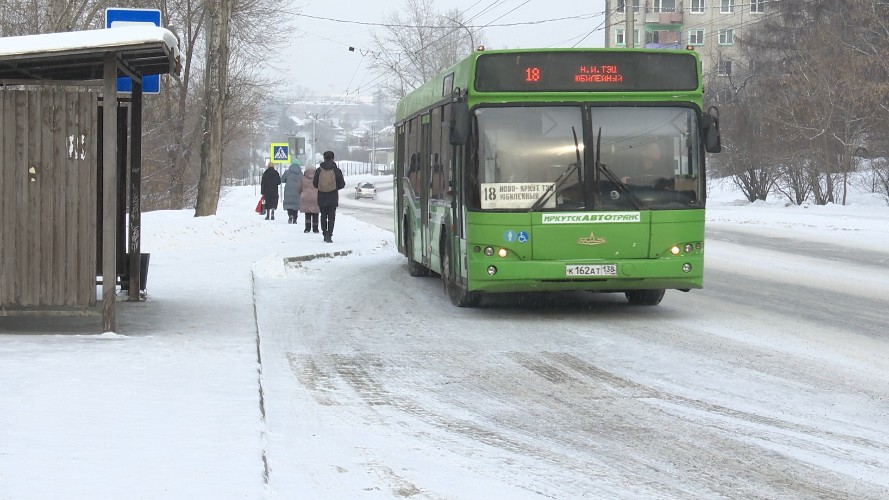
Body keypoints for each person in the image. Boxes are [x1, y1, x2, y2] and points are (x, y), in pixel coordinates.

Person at [312, 150, 345, 243]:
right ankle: (329, 235)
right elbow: (342, 184)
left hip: (322, 197)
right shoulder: (336, 170)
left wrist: (322, 187)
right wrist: (334, 187)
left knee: (323, 216)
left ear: (324, 158)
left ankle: (324, 233)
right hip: (332, 197)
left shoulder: (319, 170)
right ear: (333, 158)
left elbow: (315, 184)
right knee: (331, 217)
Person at [297, 163, 320, 234]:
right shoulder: (318, 177)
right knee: (316, 213)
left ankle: (307, 228)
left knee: (307, 213)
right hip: (316, 197)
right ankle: (315, 228)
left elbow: (298, 187)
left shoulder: (303, 178)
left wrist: (301, 193)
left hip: (305, 197)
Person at [280, 159, 302, 224]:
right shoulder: (300, 173)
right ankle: (295, 219)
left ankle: (290, 215)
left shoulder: (287, 172)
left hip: (288, 190)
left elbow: (282, 180)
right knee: (296, 205)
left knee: (289, 204)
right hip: (297, 191)